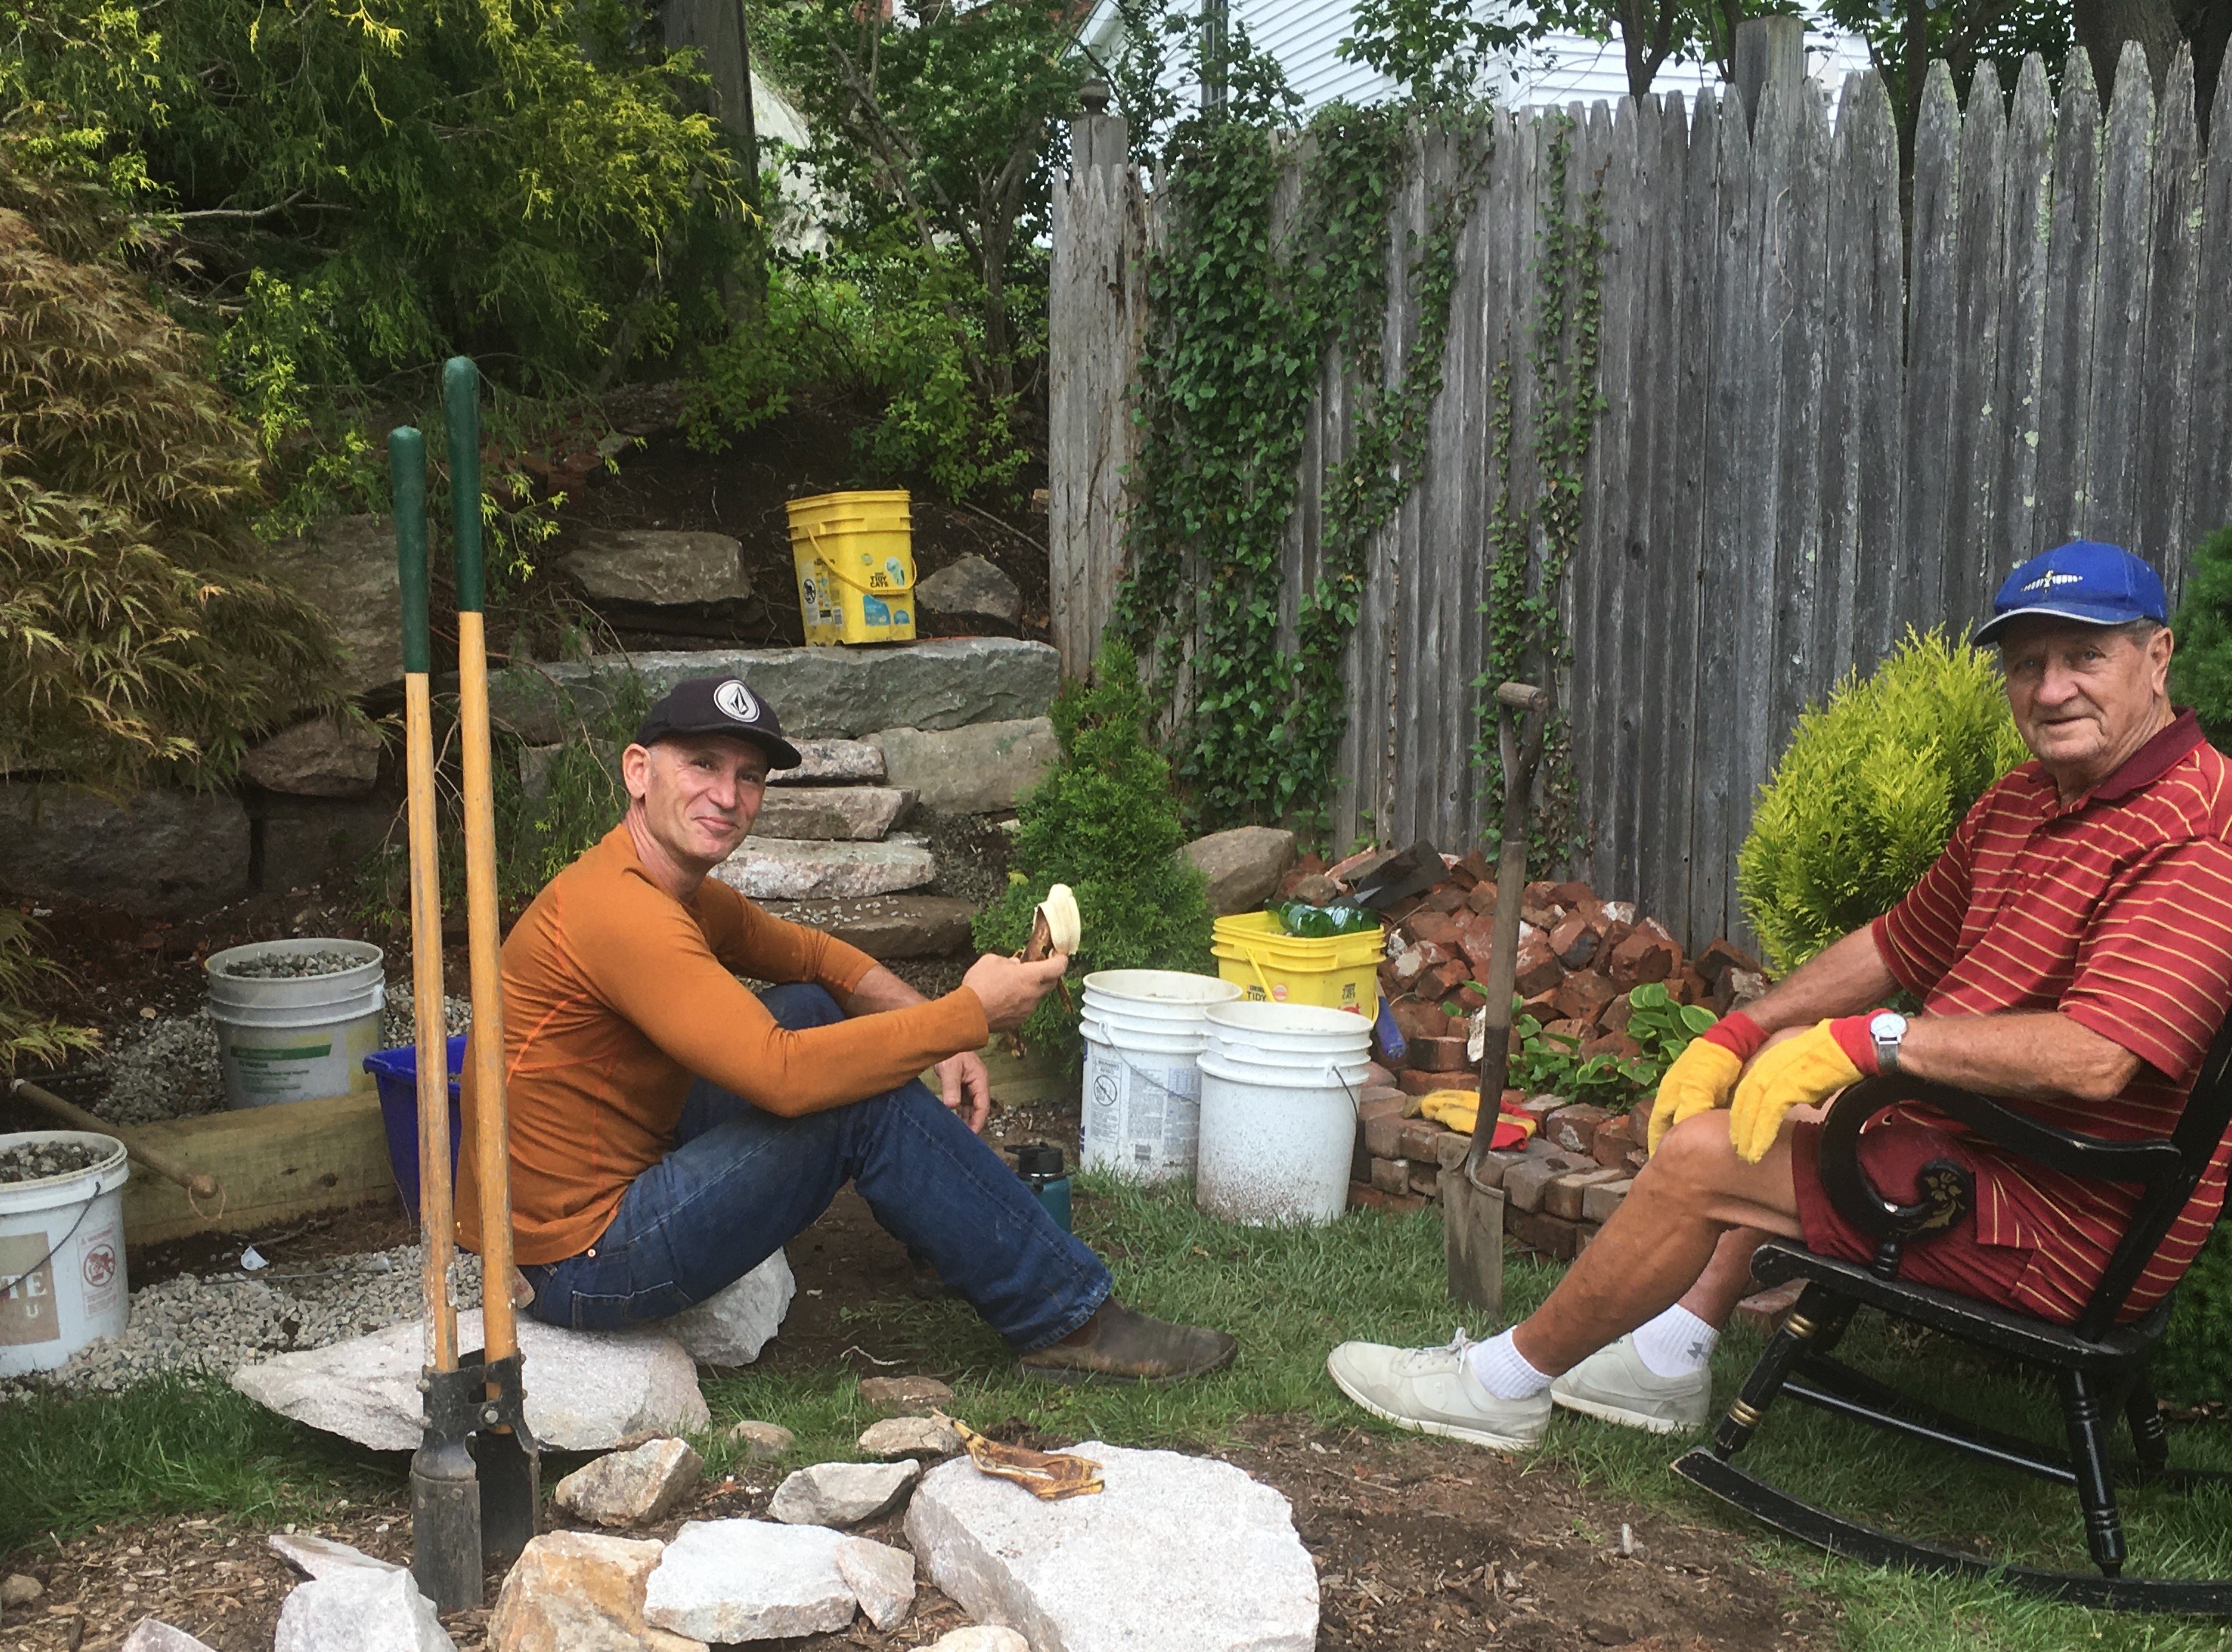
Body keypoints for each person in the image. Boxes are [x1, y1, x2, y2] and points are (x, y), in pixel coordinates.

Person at [1328, 538, 2232, 1450]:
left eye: (2085, 656)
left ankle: (1500, 1388)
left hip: (2067, 1222)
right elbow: (1895, 942)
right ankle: (1667, 1359)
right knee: (1776, 1102)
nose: (2050, 688)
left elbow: (2097, 1057)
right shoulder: (2027, 800)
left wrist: (1872, 1044)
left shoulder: (2194, 832)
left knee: (1703, 1159)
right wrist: (1744, 1030)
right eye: (2027, 664)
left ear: (2157, 658)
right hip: (1990, 1152)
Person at [456, 676, 1236, 1380]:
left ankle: (953, 1231)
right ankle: (1067, 1318)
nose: (726, 795)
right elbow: (784, 1077)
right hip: (577, 1261)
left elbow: (814, 957)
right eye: (702, 765)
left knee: (809, 1006)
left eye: (749, 776)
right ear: (638, 771)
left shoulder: (665, 886)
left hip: (605, 1185)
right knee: (852, 1102)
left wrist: (937, 1028)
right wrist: (966, 1015)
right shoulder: (622, 911)